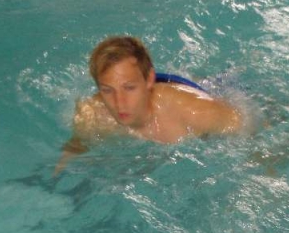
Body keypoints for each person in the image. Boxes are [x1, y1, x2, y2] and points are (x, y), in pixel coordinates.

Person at [55, 36, 244, 173]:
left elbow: (249, 128)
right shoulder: (93, 116)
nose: (119, 103)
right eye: (107, 90)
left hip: (212, 90)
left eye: (129, 88)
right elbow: (74, 150)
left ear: (149, 80)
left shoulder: (195, 111)